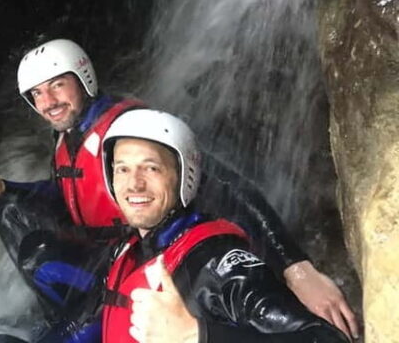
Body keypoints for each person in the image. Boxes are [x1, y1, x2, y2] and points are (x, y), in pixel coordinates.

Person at [0, 39, 356, 341]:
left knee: (41, 256)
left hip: (136, 251)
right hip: (117, 253)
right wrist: (7, 187)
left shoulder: (130, 129)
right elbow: (71, 192)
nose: (48, 102)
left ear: (83, 78)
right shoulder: (68, 136)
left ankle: (74, 313)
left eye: (57, 86)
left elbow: (227, 188)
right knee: (7, 209)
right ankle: (65, 315)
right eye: (37, 94)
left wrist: (296, 267)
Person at [100, 108, 349, 342]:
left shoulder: (219, 265)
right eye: (122, 169)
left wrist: (197, 335)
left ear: (185, 177)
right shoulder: (128, 249)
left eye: (151, 168)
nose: (134, 184)